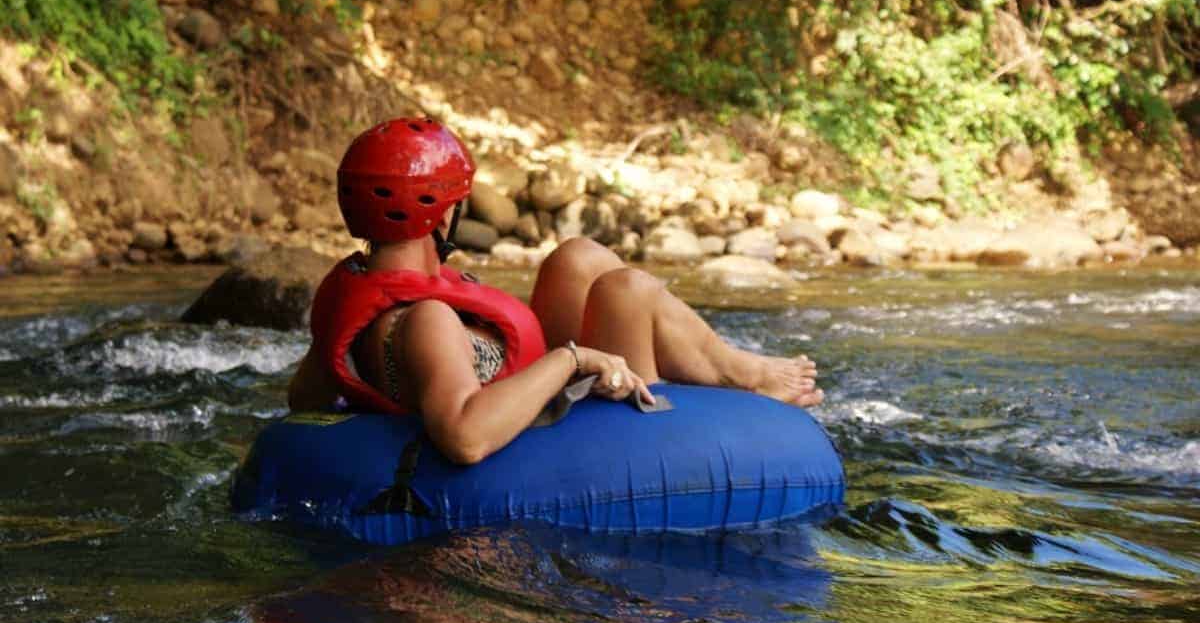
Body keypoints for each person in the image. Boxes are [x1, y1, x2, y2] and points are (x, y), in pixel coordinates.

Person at [288, 118, 823, 464]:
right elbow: (465, 438)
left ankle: (735, 369)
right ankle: (739, 378)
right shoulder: (424, 318)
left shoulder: (350, 288)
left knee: (578, 258)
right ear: (444, 214)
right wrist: (572, 358)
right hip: (564, 439)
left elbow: (308, 397)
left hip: (531, 398)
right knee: (627, 290)